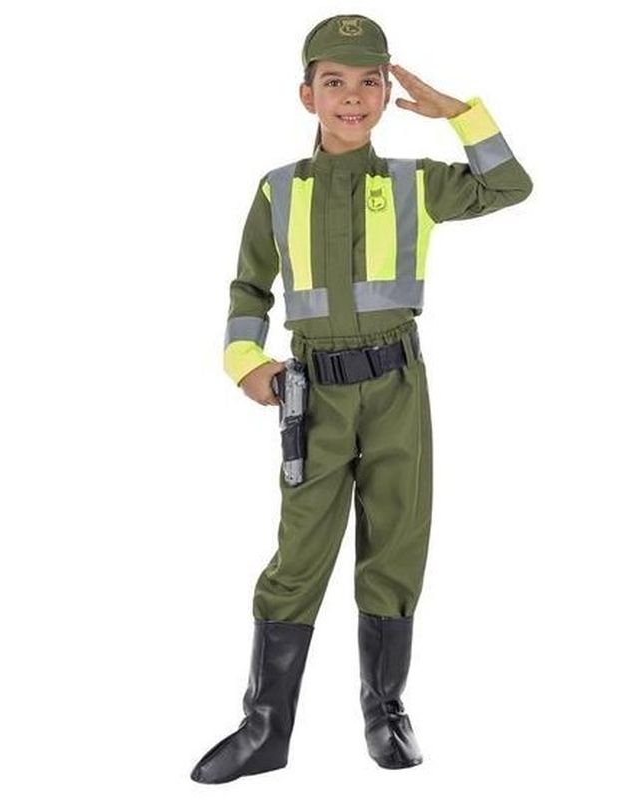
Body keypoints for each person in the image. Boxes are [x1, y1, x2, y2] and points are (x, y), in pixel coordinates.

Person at [190, 13, 533, 784]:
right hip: (313, 395)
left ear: (385, 93)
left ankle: (385, 710)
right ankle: (265, 726)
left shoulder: (416, 182)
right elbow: (249, 286)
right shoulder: (278, 190)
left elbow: (510, 185)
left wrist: (460, 115)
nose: (352, 97)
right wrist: (245, 361)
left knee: (397, 543)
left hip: (397, 391)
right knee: (299, 554)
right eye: (334, 82)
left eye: (368, 82)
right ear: (306, 95)